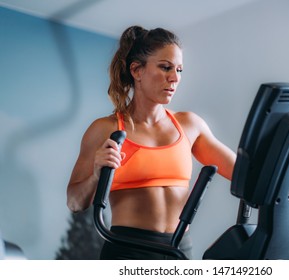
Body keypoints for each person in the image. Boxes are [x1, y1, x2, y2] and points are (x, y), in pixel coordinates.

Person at [66, 25, 236, 260]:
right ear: (137, 70)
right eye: (165, 67)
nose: (175, 78)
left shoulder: (189, 125)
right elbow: (75, 202)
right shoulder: (106, 129)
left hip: (179, 249)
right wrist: (97, 174)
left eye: (179, 70)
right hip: (127, 249)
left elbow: (246, 176)